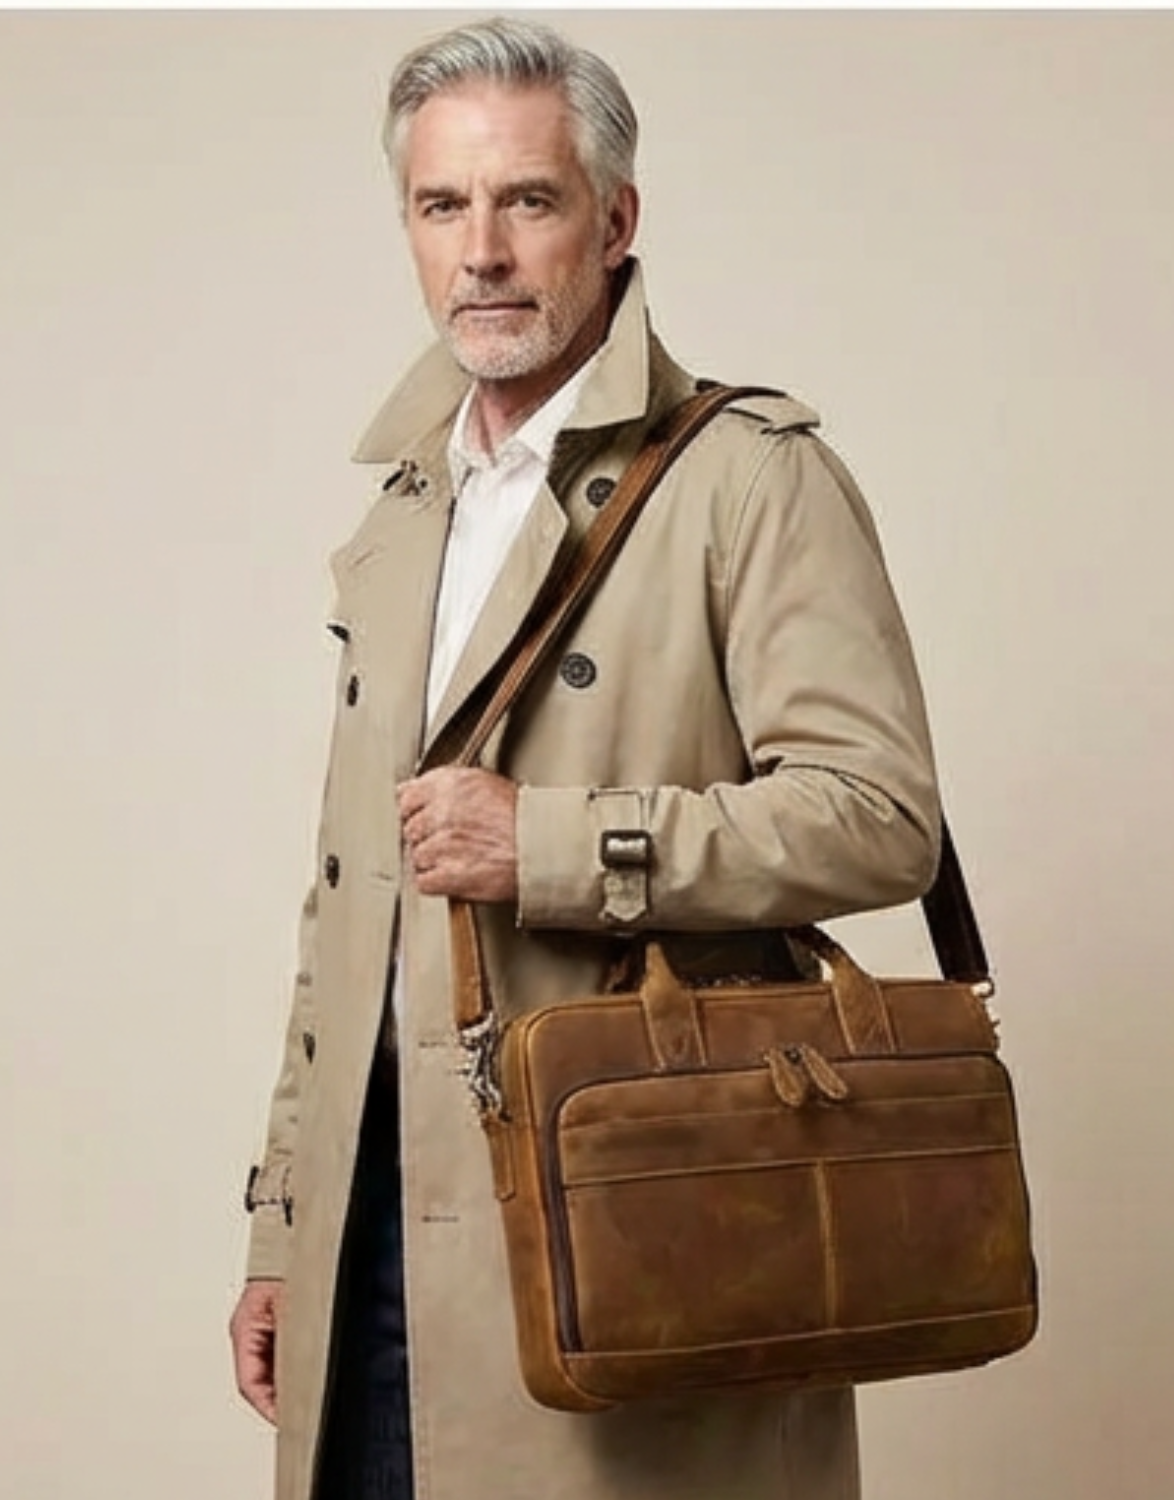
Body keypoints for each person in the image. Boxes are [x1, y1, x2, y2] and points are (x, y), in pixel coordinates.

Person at [228, 17, 941, 1500]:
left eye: (527, 200)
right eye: (443, 206)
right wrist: (284, 1228)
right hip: (378, 1241)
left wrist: (549, 844)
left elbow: (881, 822)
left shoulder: (751, 478)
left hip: (623, 1221)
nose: (481, 250)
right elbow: (345, 913)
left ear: (614, 223)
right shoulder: (404, 511)